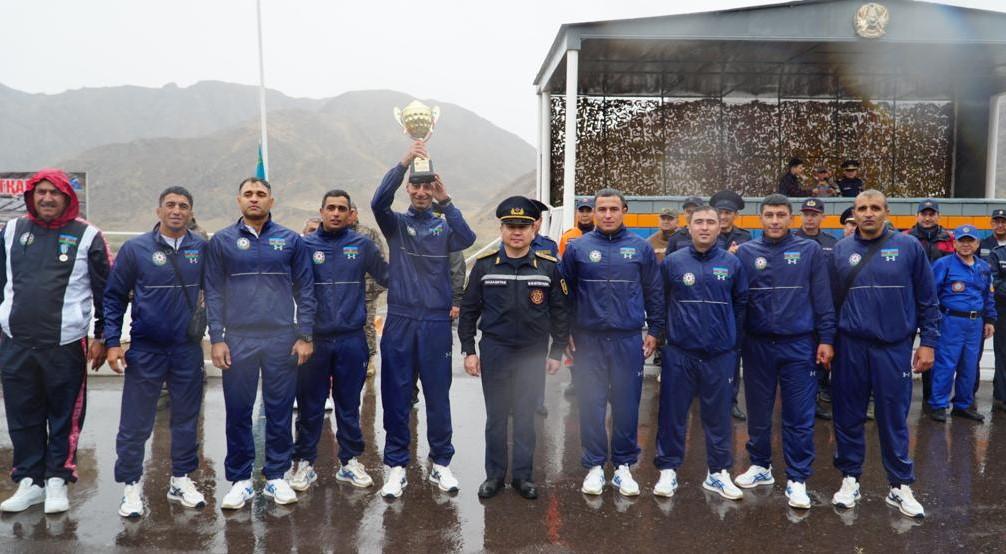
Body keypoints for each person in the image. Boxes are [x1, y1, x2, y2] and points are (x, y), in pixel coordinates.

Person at [0, 169, 110, 514]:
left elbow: (106, 292)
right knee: (22, 412)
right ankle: (30, 480)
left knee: (64, 415)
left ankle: (58, 478)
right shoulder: (12, 231)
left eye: (54, 193)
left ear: (67, 197)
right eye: (40, 192)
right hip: (16, 342)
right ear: (31, 197)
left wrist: (103, 336)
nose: (47, 198)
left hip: (65, 343)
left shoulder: (87, 235)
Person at [371, 140, 476, 499]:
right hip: (400, 320)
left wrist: (447, 201)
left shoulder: (444, 228)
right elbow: (377, 202)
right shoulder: (396, 225)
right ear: (407, 189)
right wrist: (403, 163)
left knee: (437, 395)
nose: (420, 192)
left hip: (434, 323)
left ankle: (441, 463)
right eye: (415, 186)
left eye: (426, 186)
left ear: (433, 189)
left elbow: (467, 237)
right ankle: (396, 466)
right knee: (396, 395)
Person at [205, 177, 316, 509]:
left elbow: (305, 290)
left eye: (261, 194)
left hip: (281, 336)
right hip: (238, 337)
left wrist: (305, 335)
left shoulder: (290, 240)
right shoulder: (222, 241)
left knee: (279, 410)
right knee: (238, 410)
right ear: (239, 200)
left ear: (271, 201)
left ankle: (276, 476)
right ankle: (240, 480)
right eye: (248, 194)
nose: (254, 199)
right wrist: (217, 338)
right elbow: (213, 292)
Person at [829, 190, 939, 519]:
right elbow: (829, 303)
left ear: (886, 211)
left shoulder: (909, 247)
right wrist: (827, 341)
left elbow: (927, 298)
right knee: (848, 416)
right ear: (855, 213)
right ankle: (850, 478)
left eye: (875, 208)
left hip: (893, 346)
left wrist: (928, 342)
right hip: (850, 346)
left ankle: (899, 484)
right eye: (862, 208)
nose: (868, 213)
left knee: (893, 417)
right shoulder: (841, 250)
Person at [104, 186, 208, 518]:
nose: (177, 210)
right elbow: (114, 297)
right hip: (146, 348)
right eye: (170, 205)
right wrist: (111, 341)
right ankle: (131, 484)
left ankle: (181, 479)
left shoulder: (202, 248)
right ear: (158, 210)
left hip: (186, 349)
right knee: (136, 420)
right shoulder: (135, 249)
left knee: (187, 418)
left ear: (191, 213)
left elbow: (218, 294)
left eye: (183, 206)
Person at [459, 196, 569, 500]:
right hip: (496, 350)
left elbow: (561, 312)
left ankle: (523, 477)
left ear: (533, 229)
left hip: (532, 353)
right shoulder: (484, 266)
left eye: (522, 226)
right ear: (502, 229)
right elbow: (468, 311)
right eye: (510, 226)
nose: (516, 232)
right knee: (496, 417)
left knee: (525, 416)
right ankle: (494, 476)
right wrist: (469, 350)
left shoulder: (548, 268)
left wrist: (557, 351)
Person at [733, 194, 835, 509]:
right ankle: (760, 465)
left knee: (798, 415)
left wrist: (826, 338)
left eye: (780, 215)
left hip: (798, 344)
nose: (775, 221)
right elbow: (738, 301)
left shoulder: (809, 250)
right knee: (758, 411)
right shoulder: (746, 252)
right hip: (757, 345)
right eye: (769, 215)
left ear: (790, 218)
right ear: (760, 218)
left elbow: (822, 297)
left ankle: (797, 478)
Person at [560, 188, 664, 497]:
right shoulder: (577, 248)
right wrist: (564, 330)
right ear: (593, 212)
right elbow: (564, 293)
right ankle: (594, 465)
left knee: (626, 404)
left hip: (627, 339)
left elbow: (654, 291)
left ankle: (622, 466)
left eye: (613, 209)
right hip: (588, 339)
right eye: (601, 209)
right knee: (590, 403)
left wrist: (655, 330)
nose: (607, 215)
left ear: (624, 211)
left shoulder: (640, 248)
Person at [289, 190, 389, 492]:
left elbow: (388, 277)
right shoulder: (304, 246)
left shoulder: (362, 245)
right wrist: (302, 334)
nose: (335, 213)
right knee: (310, 404)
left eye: (341, 209)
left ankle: (350, 462)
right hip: (315, 340)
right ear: (321, 211)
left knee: (348, 403)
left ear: (350, 214)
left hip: (351, 338)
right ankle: (305, 463)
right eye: (330, 208)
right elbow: (290, 286)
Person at [653, 203, 747, 500]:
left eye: (710, 222)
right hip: (680, 352)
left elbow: (741, 303)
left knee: (718, 415)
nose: (704, 227)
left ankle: (718, 473)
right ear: (689, 226)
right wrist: (664, 337)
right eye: (699, 222)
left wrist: (731, 340)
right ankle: (668, 469)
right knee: (672, 414)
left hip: (720, 354)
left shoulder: (732, 263)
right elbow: (661, 301)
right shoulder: (673, 262)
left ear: (720, 227)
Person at [928, 225, 994, 423]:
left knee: (970, 365)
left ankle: (963, 405)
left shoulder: (984, 267)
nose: (966, 245)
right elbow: (931, 295)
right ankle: (938, 405)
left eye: (970, 241)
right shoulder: (943, 264)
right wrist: (931, 321)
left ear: (977, 243)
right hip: (951, 321)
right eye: (961, 241)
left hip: (975, 323)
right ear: (954, 243)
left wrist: (990, 319)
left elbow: (988, 296)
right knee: (946, 364)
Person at [903, 199, 954, 411]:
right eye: (923, 213)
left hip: (937, 306)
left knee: (932, 349)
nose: (927, 217)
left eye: (931, 213)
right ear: (917, 216)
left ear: (938, 216)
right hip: (907, 303)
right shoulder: (905, 238)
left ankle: (930, 400)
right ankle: (899, 398)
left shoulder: (950, 239)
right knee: (901, 351)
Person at [794, 197, 839, 420]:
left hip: (823, 307)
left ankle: (816, 398)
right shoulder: (791, 241)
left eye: (814, 215)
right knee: (800, 358)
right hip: (798, 308)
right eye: (806, 214)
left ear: (823, 217)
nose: (810, 219)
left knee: (822, 355)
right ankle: (801, 402)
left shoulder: (832, 242)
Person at [710, 190, 751, 420]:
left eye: (728, 212)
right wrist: (727, 256)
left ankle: (731, 401)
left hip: (734, 305)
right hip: (709, 304)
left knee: (732, 356)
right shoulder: (706, 234)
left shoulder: (745, 238)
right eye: (720, 212)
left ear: (735, 215)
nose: (723, 216)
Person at [348, 204, 387, 378]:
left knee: (367, 324)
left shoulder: (368, 234)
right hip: (345, 290)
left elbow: (380, 261)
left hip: (367, 290)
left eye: (351, 212)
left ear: (355, 214)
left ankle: (370, 359)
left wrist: (377, 288)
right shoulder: (336, 234)